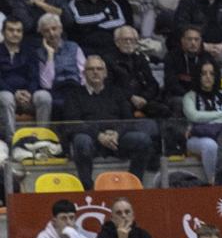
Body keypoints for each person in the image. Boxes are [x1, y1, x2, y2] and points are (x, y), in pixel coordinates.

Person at [61, 56, 156, 189]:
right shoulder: (74, 95)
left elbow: (128, 119)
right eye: (91, 69)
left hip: (116, 139)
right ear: (84, 73)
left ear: (105, 73)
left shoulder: (116, 92)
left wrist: (117, 133)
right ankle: (87, 187)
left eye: (99, 69)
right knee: (81, 140)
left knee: (143, 140)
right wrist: (99, 135)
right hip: (91, 140)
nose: (95, 72)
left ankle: (133, 183)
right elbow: (73, 123)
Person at [183, 60, 222, 184]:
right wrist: (220, 114)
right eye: (204, 73)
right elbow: (194, 116)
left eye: (212, 73)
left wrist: (208, 122)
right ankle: (213, 181)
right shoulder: (190, 96)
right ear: (198, 76)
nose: (208, 77)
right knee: (210, 145)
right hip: (196, 138)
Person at [0, 17, 51, 139]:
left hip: (27, 96)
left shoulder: (30, 51)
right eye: (11, 30)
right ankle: (12, 140)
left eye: (18, 31)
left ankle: (42, 139)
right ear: (3, 32)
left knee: (45, 97)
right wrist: (14, 93)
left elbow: (34, 76)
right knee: (6, 98)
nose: (15, 33)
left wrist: (29, 92)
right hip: (5, 95)